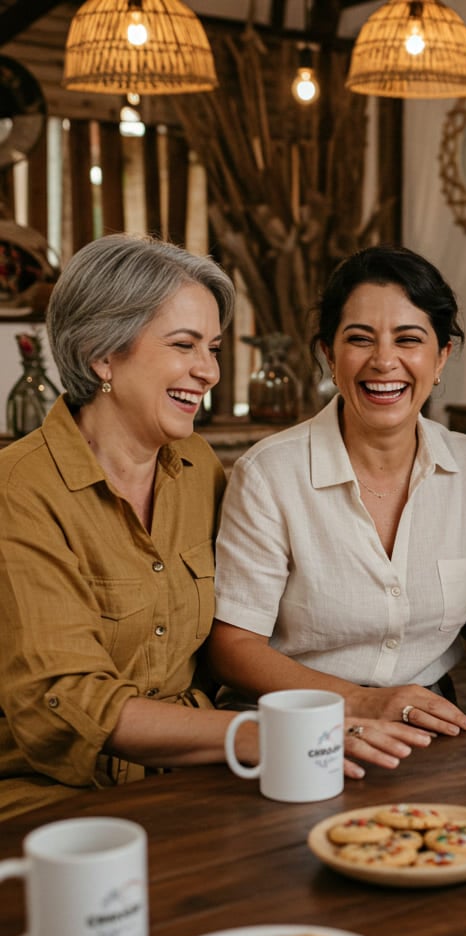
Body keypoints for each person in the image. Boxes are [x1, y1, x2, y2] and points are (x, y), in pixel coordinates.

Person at [0, 235, 412, 820]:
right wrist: (264, 735)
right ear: (101, 355)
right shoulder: (20, 488)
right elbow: (68, 701)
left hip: (197, 778)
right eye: (184, 345)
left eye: (213, 348)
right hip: (56, 796)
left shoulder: (199, 470)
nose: (209, 371)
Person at [208, 245, 466, 736]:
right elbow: (233, 649)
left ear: (441, 357)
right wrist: (362, 704)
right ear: (329, 354)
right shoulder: (269, 474)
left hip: (422, 721)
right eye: (360, 339)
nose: (384, 361)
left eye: (408, 339)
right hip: (287, 721)